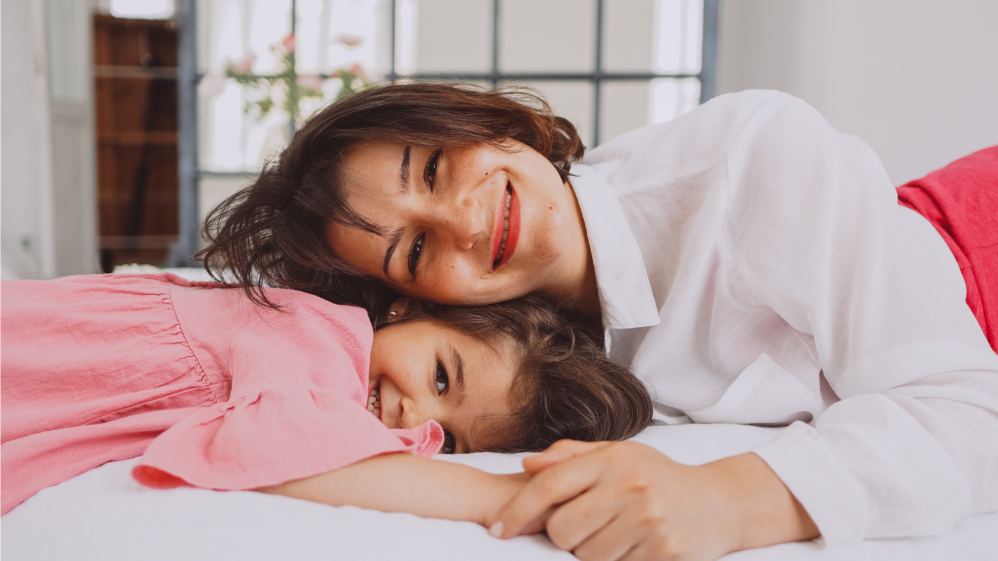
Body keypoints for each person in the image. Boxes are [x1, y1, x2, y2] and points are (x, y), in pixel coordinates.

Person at [200, 82, 998, 560]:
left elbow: (973, 412)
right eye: (414, 249)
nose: (465, 220)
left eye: (437, 168)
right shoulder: (515, 363)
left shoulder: (752, 160)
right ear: (415, 302)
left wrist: (727, 498)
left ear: (488, 126)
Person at [0, 273, 653, 518]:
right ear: (410, 306)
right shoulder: (311, 330)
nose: (414, 414)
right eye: (442, 376)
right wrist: (507, 495)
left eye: (449, 438)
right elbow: (286, 444)